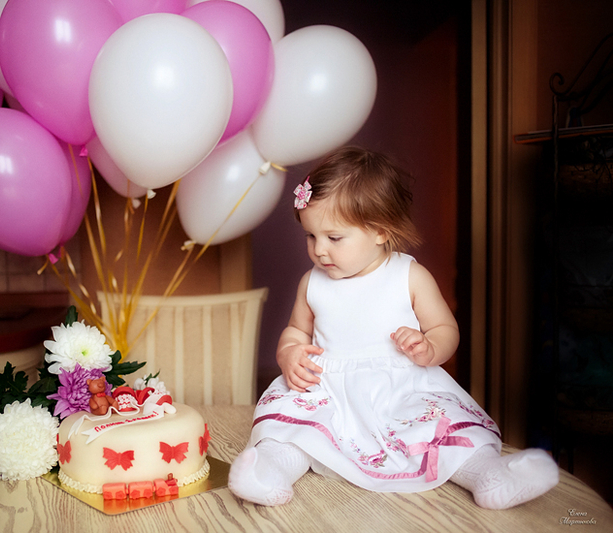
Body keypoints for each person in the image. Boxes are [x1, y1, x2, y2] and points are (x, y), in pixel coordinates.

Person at [228, 146, 558, 509]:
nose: (319, 250)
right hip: (328, 390)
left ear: (380, 232)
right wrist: (289, 353)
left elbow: (445, 329)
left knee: (443, 429)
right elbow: (295, 331)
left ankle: (491, 476)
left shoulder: (409, 275)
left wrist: (429, 347)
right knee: (290, 425)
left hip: (400, 389)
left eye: (333, 238)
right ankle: (269, 471)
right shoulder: (312, 282)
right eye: (310, 236)